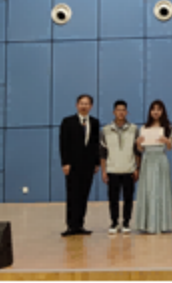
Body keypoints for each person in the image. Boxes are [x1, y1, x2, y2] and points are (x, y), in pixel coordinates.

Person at [59, 95, 101, 237]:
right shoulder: (68, 122)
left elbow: (95, 144)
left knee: (84, 195)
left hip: (88, 165)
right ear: (77, 105)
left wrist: (96, 163)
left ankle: (80, 225)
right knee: (72, 195)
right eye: (81, 103)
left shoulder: (94, 122)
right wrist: (65, 162)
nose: (84, 106)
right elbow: (63, 143)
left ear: (91, 106)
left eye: (87, 104)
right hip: (72, 165)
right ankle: (71, 226)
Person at [134, 100, 172, 235]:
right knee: (148, 190)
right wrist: (138, 143)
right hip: (147, 160)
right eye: (153, 109)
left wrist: (167, 141)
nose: (156, 112)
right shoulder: (144, 128)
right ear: (150, 112)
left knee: (161, 189)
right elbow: (141, 149)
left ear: (163, 111)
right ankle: (147, 223)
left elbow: (170, 147)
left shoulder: (167, 127)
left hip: (160, 159)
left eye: (158, 109)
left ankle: (162, 223)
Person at [100, 101, 140, 235]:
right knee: (113, 199)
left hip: (129, 169)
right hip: (112, 170)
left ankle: (126, 222)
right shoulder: (106, 130)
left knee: (128, 198)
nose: (121, 112)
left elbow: (137, 152)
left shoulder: (134, 129)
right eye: (118, 110)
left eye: (123, 110)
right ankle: (114, 222)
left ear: (127, 112)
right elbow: (103, 153)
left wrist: (137, 168)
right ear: (114, 112)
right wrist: (104, 171)